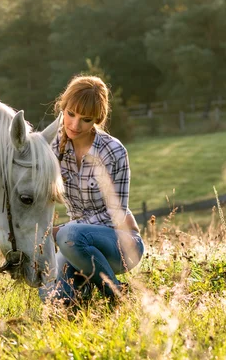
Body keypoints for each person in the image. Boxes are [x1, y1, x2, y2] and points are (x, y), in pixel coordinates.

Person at [41, 75, 144, 306]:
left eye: (86, 119)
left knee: (69, 236)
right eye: (70, 114)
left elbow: (114, 215)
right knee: (51, 297)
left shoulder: (113, 151)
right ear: (63, 108)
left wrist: (59, 230)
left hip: (120, 244)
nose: (75, 125)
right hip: (75, 245)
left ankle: (117, 296)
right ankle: (84, 290)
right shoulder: (52, 147)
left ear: (98, 119)